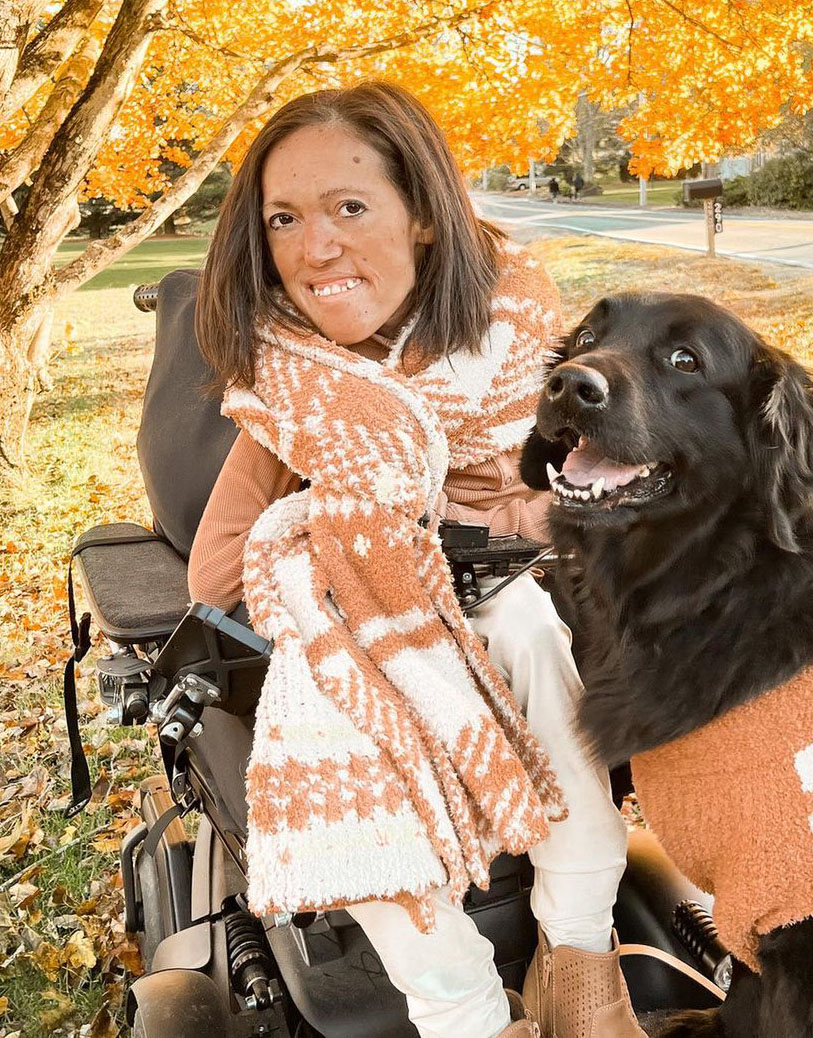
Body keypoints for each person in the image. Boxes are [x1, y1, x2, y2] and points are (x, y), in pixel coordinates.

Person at [188, 83, 645, 1038]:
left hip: (505, 640)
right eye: (285, 219)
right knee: (350, 698)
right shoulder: (299, 396)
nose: (315, 249)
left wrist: (524, 525)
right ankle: (469, 1016)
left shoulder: (516, 362)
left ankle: (581, 955)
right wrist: (357, 525)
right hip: (350, 651)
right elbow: (218, 570)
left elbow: (590, 510)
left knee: (521, 620)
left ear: (426, 217)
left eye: (350, 206)